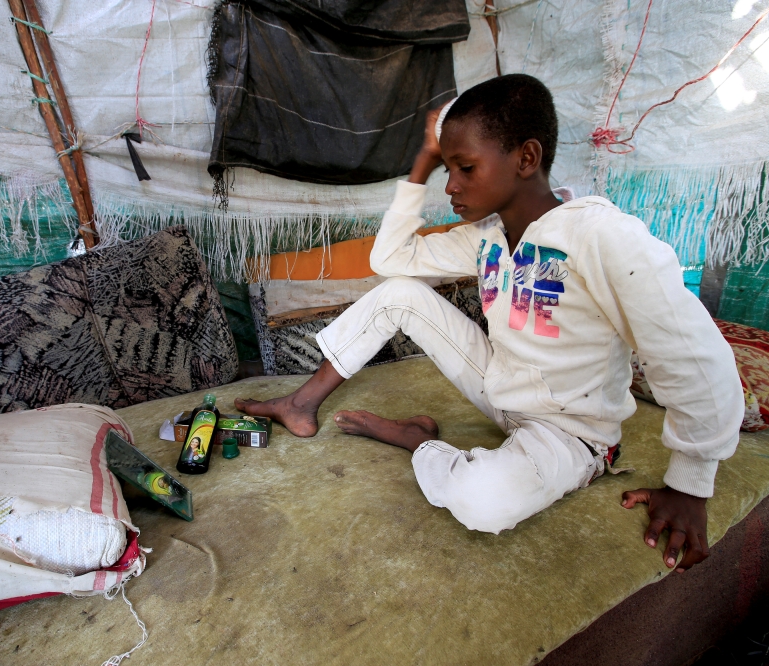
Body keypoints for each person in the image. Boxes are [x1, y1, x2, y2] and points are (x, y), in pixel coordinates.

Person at [236, 74, 743, 573]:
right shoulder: (488, 237)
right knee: (399, 293)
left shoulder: (601, 236)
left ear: (526, 158)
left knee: (482, 503)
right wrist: (423, 161)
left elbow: (695, 356)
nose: (451, 187)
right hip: (503, 394)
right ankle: (301, 401)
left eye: (465, 167)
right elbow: (390, 258)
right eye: (446, 170)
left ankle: (418, 440)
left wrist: (690, 484)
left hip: (572, 433)